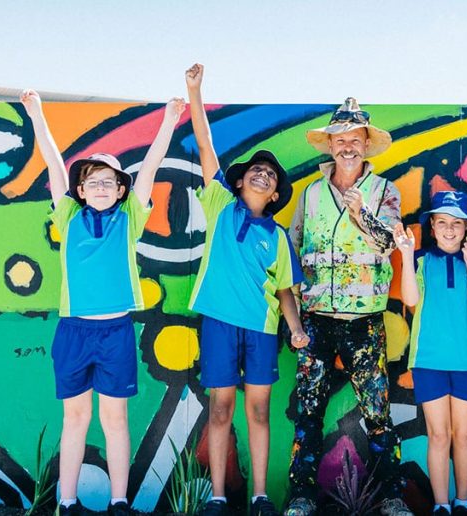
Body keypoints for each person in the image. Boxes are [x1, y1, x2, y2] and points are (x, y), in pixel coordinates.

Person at [21, 89, 184, 516]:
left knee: (114, 421)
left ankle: (118, 502)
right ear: (80, 188)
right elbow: (54, 166)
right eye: (92, 181)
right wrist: (36, 114)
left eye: (108, 181)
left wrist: (169, 118)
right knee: (75, 419)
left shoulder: (129, 217)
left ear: (119, 189)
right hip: (74, 330)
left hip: (115, 332)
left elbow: (150, 167)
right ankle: (68, 502)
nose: (99, 186)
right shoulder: (69, 215)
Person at [183, 64, 308, 516]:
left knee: (257, 413)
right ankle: (218, 496)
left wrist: (295, 329)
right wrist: (195, 91)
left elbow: (286, 291)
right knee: (220, 410)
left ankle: (259, 496)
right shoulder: (219, 204)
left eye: (270, 177)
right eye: (256, 171)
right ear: (239, 181)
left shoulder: (276, 236)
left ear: (275, 195)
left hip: (260, 331)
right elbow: (204, 144)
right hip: (218, 324)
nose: (262, 176)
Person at [285, 98, 413, 516]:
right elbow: (293, 251)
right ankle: (301, 497)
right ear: (330, 145)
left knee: (378, 411)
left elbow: (386, 244)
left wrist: (360, 214)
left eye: (354, 140)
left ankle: (392, 497)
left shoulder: (384, 192)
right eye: (340, 140)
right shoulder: (311, 193)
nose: (347, 147)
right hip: (316, 319)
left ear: (365, 145)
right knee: (308, 411)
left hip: (364, 322)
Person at [393, 191, 467, 516]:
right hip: (428, 362)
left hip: (466, 362)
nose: (449, 230)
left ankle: (462, 502)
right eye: (442, 223)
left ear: (466, 228)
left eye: (456, 223)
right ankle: (441, 505)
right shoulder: (422, 260)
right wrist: (406, 256)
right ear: (432, 227)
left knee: (462, 436)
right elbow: (409, 298)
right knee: (437, 435)